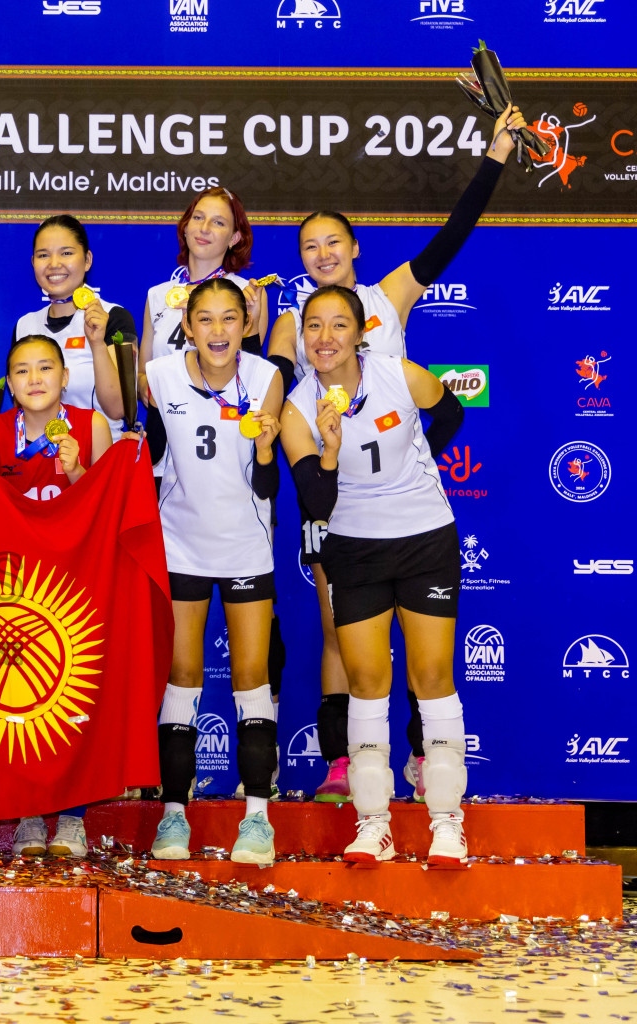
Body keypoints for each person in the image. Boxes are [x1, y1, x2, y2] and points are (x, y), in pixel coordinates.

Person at [265, 105, 525, 803]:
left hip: (406, 507)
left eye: (332, 244)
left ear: (354, 249)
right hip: (332, 494)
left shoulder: (388, 297)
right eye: (309, 248)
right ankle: (346, 764)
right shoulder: (296, 322)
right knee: (337, 633)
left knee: (423, 644)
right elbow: (276, 388)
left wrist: (496, 154)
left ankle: (420, 758)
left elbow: (452, 238)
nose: (322, 255)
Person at [280, 285, 468, 865]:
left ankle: (446, 822)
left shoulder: (397, 373)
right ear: (304, 336)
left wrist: (422, 464)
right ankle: (373, 823)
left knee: (432, 674)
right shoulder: (295, 408)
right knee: (364, 682)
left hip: (424, 538)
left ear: (361, 332)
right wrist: (330, 450)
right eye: (314, 326)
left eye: (339, 325)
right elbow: (315, 499)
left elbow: (451, 409)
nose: (326, 338)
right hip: (353, 548)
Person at [141, 278, 283, 866]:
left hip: (247, 547)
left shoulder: (267, 377)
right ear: (188, 326)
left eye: (230, 319)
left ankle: (257, 820)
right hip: (181, 547)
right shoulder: (161, 374)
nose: (219, 331)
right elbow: (146, 456)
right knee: (181, 679)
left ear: (245, 324)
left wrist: (270, 447)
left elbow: (270, 485)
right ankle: (174, 815)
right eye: (206, 320)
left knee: (252, 680)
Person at [0, 334, 113, 857]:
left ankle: (76, 816)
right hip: (18, 590)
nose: (34, 379)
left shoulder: (92, 425)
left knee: (75, 701)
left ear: (64, 377)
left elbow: (109, 508)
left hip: (78, 583)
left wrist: (77, 469)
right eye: (22, 371)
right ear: (10, 384)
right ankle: (30, 813)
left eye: (45, 369)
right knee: (22, 701)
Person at [12, 215, 135, 429]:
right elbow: (21, 407)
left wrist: (97, 344)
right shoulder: (25, 325)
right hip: (38, 455)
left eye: (66, 253)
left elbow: (118, 409)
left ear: (87, 260)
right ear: (33, 262)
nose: (54, 264)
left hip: (98, 453)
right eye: (43, 255)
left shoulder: (113, 317)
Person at [139, 187, 265, 368]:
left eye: (218, 223)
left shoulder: (247, 293)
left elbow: (251, 372)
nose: (204, 228)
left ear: (234, 238)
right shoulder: (157, 294)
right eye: (198, 218)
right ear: (185, 227)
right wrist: (148, 388)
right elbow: (144, 372)